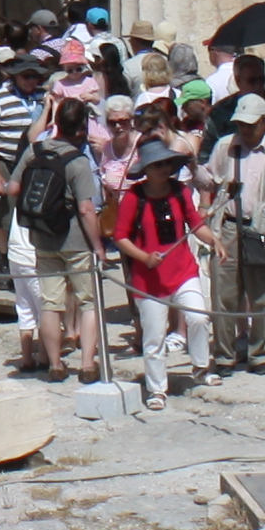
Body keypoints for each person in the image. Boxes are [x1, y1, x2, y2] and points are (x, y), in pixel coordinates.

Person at [5, 93, 107, 383]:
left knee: (51, 303)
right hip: (74, 238)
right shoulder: (77, 161)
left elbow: (13, 188)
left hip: (41, 237)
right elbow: (86, 208)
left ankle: (54, 364)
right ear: (80, 129)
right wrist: (98, 246)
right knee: (87, 302)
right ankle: (87, 365)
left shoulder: (34, 150)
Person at [111, 138, 211, 407]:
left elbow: (195, 223)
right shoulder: (134, 197)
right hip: (149, 280)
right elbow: (120, 237)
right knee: (154, 337)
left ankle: (201, 367)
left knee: (199, 317)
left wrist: (215, 241)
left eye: (166, 163)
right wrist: (144, 257)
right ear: (146, 169)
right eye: (157, 165)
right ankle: (157, 390)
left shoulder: (179, 191)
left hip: (183, 270)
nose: (163, 169)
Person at [208, 97, 265, 373]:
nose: (245, 130)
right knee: (224, 295)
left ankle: (260, 353)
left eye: (250, 125)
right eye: (240, 124)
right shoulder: (224, 147)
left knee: (264, 296)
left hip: (264, 232)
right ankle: (224, 355)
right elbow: (210, 183)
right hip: (227, 229)